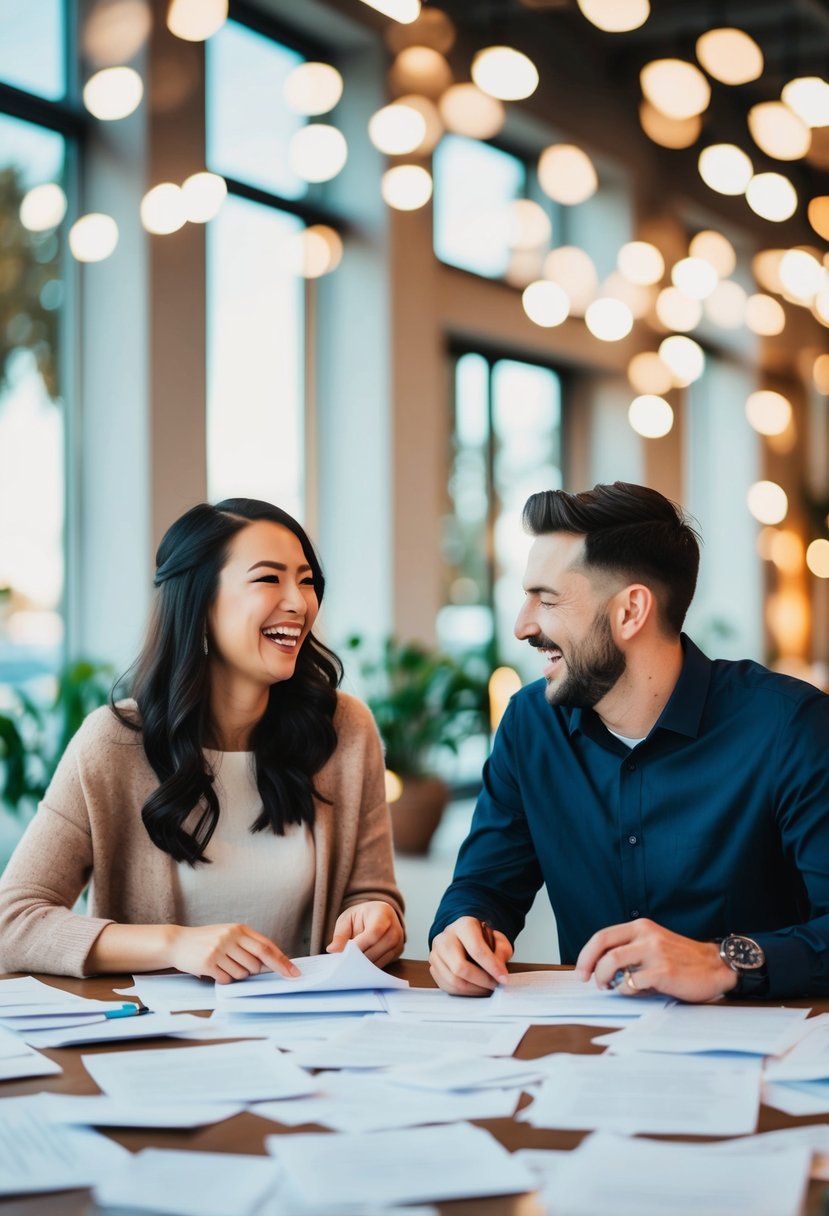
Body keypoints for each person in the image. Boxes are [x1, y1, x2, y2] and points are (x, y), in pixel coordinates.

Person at [429, 481, 829, 1002]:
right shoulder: (531, 725)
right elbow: (483, 887)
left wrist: (720, 961)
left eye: (545, 601)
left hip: (762, 1055)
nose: (523, 626)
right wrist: (461, 929)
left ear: (630, 611)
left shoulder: (790, 726)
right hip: (588, 1053)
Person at [0, 499, 404, 982]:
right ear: (200, 602)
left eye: (307, 580)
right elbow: (12, 923)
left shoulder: (345, 731)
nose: (299, 602)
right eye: (269, 578)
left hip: (309, 1042)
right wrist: (174, 944)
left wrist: (377, 917)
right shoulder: (113, 744)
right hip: (157, 1044)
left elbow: (372, 894)